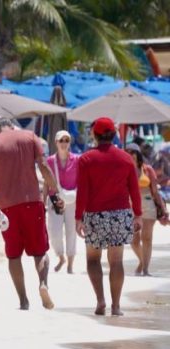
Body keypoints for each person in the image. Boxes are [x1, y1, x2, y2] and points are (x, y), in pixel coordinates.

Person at [0, 117, 61, 310]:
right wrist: (54, 191)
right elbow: (43, 167)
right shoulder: (30, 137)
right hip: (31, 202)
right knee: (40, 251)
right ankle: (43, 284)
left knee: (13, 255)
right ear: (12, 126)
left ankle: (23, 300)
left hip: (5, 207)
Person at [75, 118, 142, 316]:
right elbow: (134, 190)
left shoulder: (86, 159)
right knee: (116, 262)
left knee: (92, 260)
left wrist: (78, 217)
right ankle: (116, 306)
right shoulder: (126, 159)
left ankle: (100, 300)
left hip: (95, 214)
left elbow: (83, 192)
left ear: (94, 135)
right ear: (113, 135)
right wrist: (138, 214)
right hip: (120, 214)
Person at [126, 143, 169, 276]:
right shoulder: (124, 169)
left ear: (138, 154)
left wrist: (163, 208)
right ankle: (142, 262)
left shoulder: (148, 169)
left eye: (132, 151)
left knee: (147, 238)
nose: (130, 154)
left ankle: (145, 269)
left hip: (148, 203)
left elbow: (155, 191)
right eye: (127, 151)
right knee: (133, 239)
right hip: (131, 205)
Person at [43, 130, 79, 274]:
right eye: (61, 140)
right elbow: (46, 182)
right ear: (56, 142)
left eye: (66, 140)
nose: (64, 143)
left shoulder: (77, 160)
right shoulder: (50, 161)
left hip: (72, 199)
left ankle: (70, 264)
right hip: (55, 198)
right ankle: (61, 257)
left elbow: (82, 181)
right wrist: (43, 201)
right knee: (55, 232)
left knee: (71, 232)